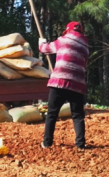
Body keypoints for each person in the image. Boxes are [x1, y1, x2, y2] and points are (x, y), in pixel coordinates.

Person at [38, 21, 90, 149]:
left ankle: (47, 143)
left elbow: (44, 49)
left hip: (59, 82)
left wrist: (41, 42)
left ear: (68, 30)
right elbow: (84, 64)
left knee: (52, 114)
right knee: (78, 116)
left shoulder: (63, 40)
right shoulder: (85, 46)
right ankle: (80, 144)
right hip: (77, 84)